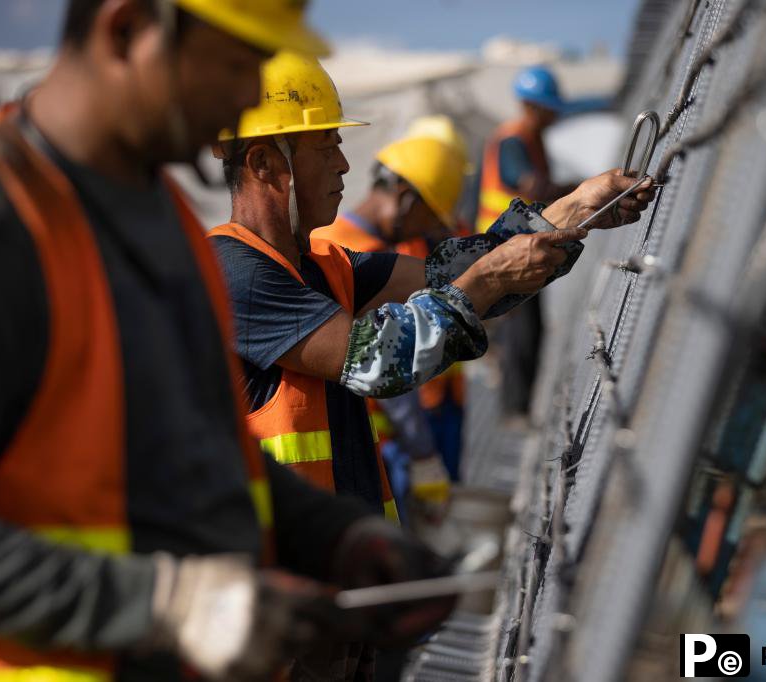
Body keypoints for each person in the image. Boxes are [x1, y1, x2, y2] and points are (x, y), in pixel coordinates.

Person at [0, 3, 452, 681]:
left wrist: (338, 535)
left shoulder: (159, 224)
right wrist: (166, 604)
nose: (244, 99)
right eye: (234, 66)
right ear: (127, 29)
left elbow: (204, 458)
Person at [209, 51, 655, 680]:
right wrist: (486, 281)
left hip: (338, 596)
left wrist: (578, 208)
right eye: (326, 145)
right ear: (264, 163)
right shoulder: (235, 275)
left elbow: (458, 269)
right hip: (280, 609)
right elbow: (374, 362)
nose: (343, 164)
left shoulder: (322, 268)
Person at [312, 119, 470, 517]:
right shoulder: (360, 257)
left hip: (365, 443)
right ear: (406, 197)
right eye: (431, 217)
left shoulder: (331, 238)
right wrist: (422, 451)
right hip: (370, 447)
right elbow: (380, 364)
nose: (430, 230)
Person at [477, 65, 573, 418]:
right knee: (521, 329)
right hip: (505, 246)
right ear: (534, 107)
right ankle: (514, 409)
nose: (553, 115)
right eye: (549, 108)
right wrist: (576, 192)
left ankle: (519, 406)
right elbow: (530, 184)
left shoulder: (531, 139)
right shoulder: (513, 140)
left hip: (521, 243)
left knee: (529, 328)